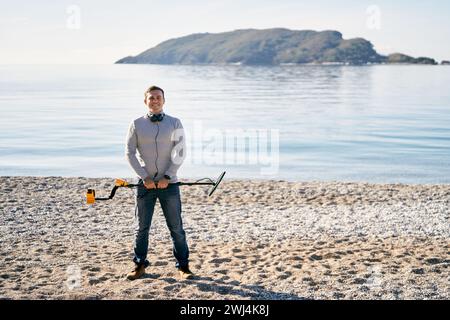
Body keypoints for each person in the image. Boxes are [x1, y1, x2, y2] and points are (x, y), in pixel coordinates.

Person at [124, 85, 193, 280]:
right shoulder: (136, 124)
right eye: (151, 98)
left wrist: (168, 176)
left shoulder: (175, 122)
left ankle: (183, 267)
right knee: (141, 228)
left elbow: (181, 152)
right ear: (145, 101)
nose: (155, 100)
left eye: (158, 97)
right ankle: (139, 265)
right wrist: (144, 177)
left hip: (169, 185)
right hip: (144, 185)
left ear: (164, 100)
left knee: (176, 227)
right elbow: (129, 153)